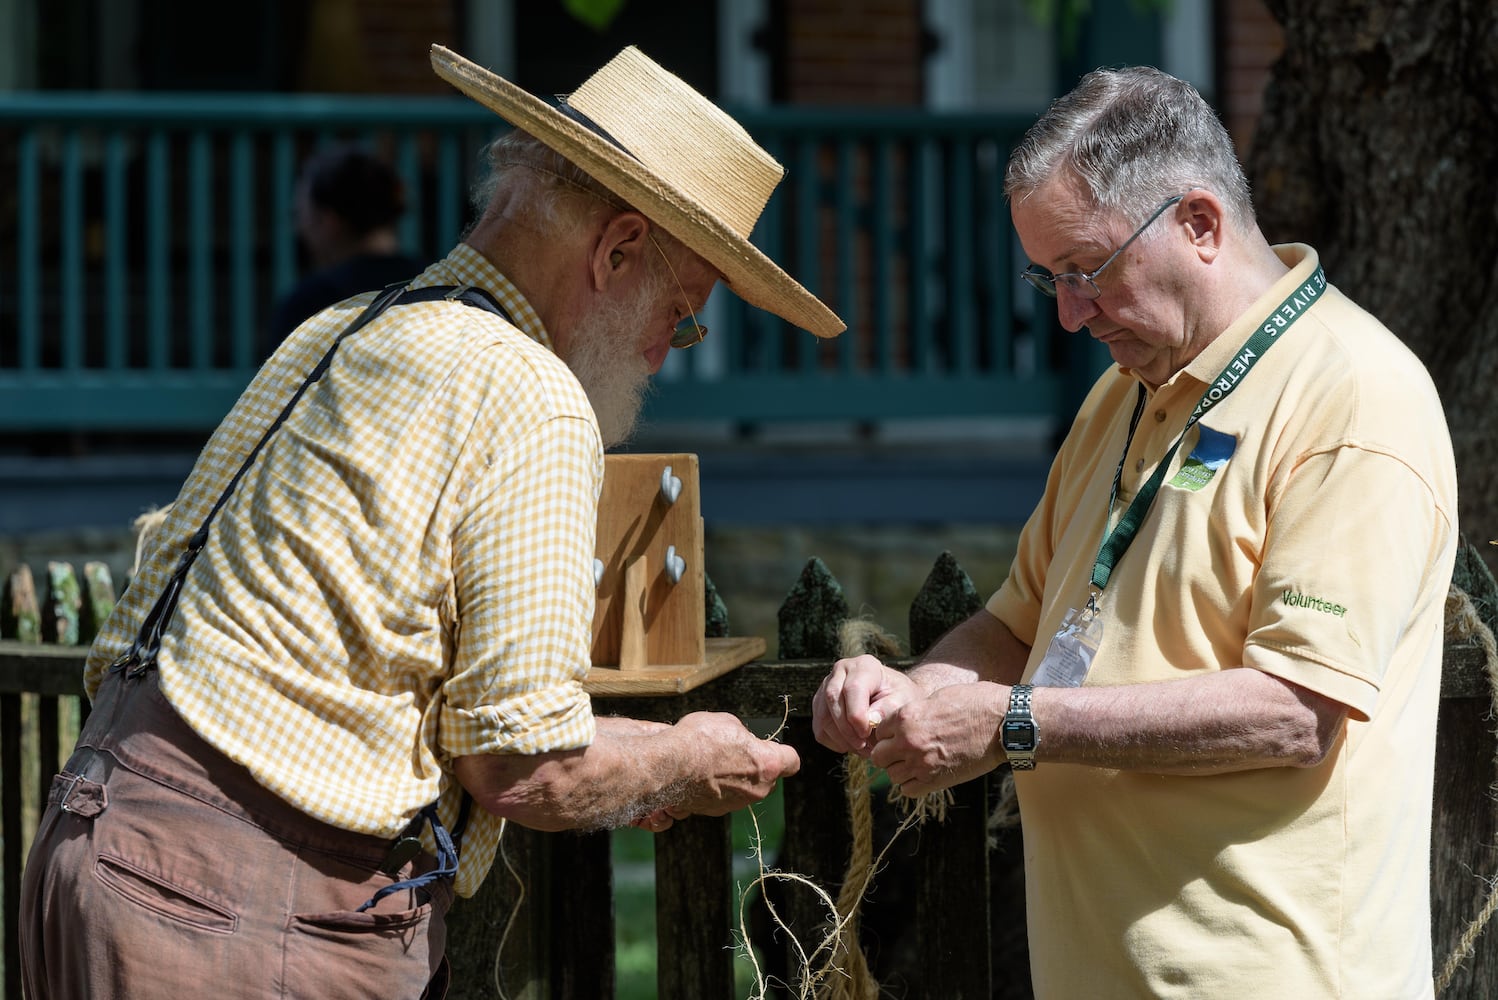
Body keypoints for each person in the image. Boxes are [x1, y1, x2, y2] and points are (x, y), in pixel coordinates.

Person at [21, 44, 844, 999]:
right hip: (235, 909)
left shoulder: (347, 326)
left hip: (96, 839)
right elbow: (522, 767)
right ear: (615, 250)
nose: (670, 349)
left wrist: (629, 768)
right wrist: (684, 757)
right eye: (681, 311)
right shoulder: (532, 394)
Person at [814, 65, 1456, 999]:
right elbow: (1016, 625)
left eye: (1088, 270)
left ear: (1198, 223)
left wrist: (1017, 723)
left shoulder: (1355, 394)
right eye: (1050, 279)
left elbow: (1295, 712)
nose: (1070, 313)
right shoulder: (1125, 392)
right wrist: (909, 695)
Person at [263, 142, 427, 357]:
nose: (298, 228)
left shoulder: (311, 302)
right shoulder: (433, 282)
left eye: (299, 214)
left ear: (329, 221)